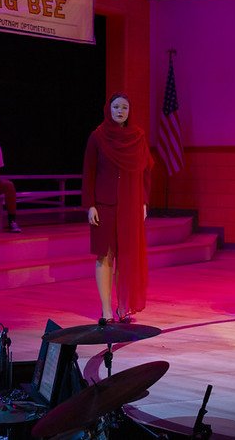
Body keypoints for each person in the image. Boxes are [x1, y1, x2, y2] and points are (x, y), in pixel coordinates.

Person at [82, 93, 154, 323]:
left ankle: (124, 307)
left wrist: (143, 201)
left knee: (127, 255)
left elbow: (145, 172)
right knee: (106, 255)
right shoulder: (98, 136)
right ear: (108, 109)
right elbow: (89, 172)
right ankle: (105, 310)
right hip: (104, 205)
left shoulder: (138, 137)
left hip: (130, 204)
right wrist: (90, 205)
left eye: (124, 107)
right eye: (116, 107)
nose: (120, 111)